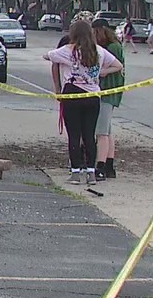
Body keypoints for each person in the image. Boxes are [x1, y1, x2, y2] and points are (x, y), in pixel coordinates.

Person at [43, 19, 124, 186]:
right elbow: (118, 65)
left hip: (73, 95)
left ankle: (75, 173)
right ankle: (91, 173)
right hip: (93, 96)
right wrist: (102, 72)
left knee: (74, 135)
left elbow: (48, 56)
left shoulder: (68, 50)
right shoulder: (99, 51)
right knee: (89, 134)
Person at [92, 19, 125, 180]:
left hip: (106, 92)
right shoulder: (115, 46)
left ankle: (101, 166)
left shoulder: (111, 48)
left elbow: (116, 66)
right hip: (111, 92)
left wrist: (102, 72)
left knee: (102, 132)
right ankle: (110, 164)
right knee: (108, 130)